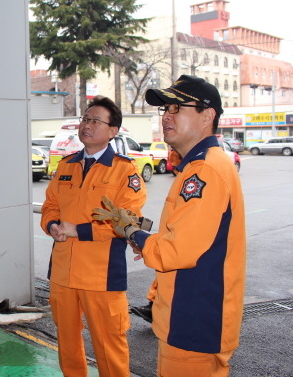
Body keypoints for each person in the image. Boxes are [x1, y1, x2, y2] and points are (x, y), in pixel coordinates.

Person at [97, 75, 246, 377]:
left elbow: (175, 250)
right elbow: (184, 236)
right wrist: (142, 235)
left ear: (207, 116)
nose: (166, 115)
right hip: (188, 317)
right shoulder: (199, 165)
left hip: (192, 322)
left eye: (177, 107)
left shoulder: (205, 169)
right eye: (165, 108)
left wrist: (132, 232)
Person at [41, 96, 147, 377]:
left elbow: (127, 221)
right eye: (85, 119)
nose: (87, 125)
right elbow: (50, 206)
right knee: (67, 343)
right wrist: (52, 226)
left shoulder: (125, 170)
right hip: (63, 273)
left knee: (108, 345)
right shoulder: (66, 165)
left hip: (101, 276)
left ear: (113, 130)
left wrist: (79, 230)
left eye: (96, 121)